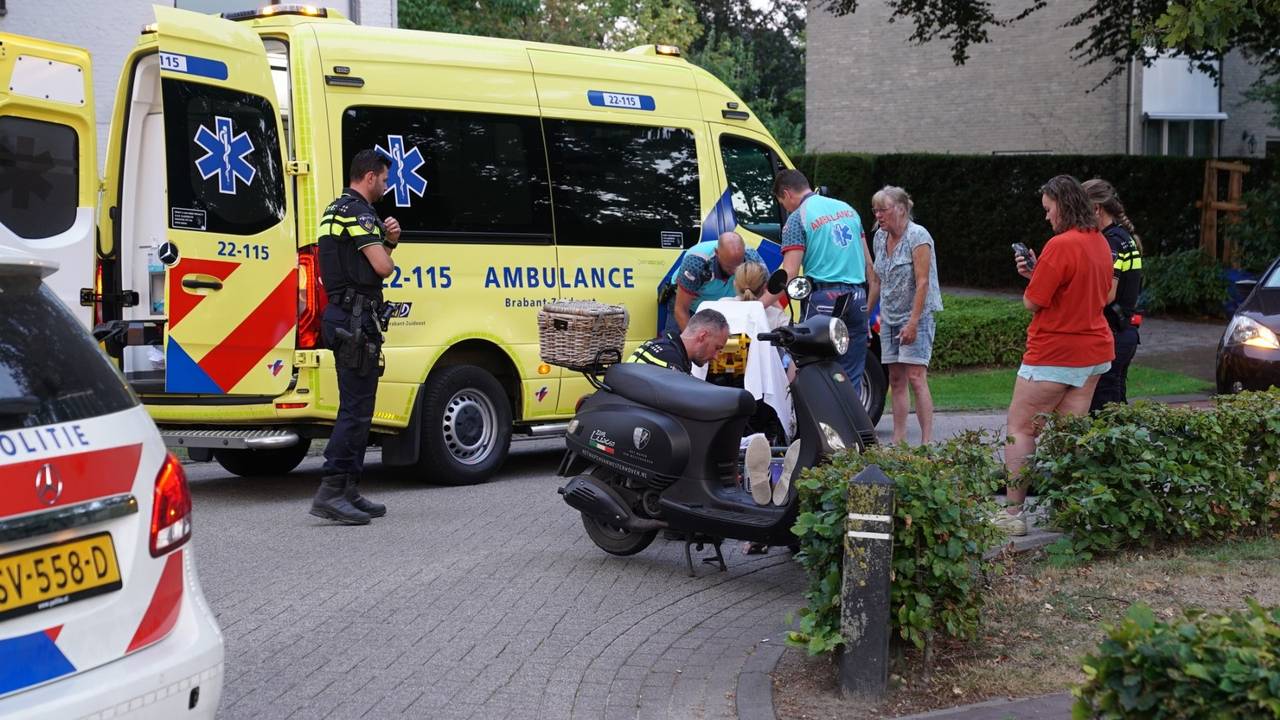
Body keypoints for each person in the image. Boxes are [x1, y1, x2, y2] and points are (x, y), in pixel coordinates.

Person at [995, 175, 1114, 536]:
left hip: (1053, 353)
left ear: (1062, 205)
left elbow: (1034, 300)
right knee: (1067, 436)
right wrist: (1039, 272)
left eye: (1048, 209)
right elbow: (1102, 295)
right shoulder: (1100, 243)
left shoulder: (1060, 245)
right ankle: (1073, 511)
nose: (1046, 217)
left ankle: (1013, 515)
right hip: (1093, 353)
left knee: (1021, 428)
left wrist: (1034, 277)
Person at [310, 149, 401, 525]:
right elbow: (382, 267)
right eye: (383, 178)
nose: (385, 185)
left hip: (342, 316)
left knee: (359, 408)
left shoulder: (334, 209)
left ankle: (349, 489)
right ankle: (331, 491)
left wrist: (387, 239)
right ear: (368, 177)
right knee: (355, 409)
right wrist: (391, 247)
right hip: (355, 320)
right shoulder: (361, 212)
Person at [761, 169, 879, 394]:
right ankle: (853, 427)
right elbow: (871, 269)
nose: (785, 208)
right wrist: (866, 314)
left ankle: (795, 422)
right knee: (851, 375)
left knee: (804, 364)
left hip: (824, 299)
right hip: (857, 299)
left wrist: (759, 304)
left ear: (786, 194)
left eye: (782, 203)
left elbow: (790, 273)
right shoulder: (849, 211)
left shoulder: (798, 219)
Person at [867, 186, 943, 445]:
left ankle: (926, 443)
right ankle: (898, 441)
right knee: (896, 379)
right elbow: (877, 280)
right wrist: (867, 313)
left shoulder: (918, 236)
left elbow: (923, 283)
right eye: (875, 210)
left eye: (883, 209)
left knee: (916, 377)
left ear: (900, 209)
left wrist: (912, 322)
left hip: (916, 317)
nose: (878, 215)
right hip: (889, 317)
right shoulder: (879, 237)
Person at [1083, 178, 1143, 412]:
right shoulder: (1124, 238)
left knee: (1103, 409)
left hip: (1114, 334)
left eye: (1081, 209)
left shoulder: (1111, 243)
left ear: (1096, 209)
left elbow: (1107, 294)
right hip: (1125, 332)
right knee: (1115, 406)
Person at [668, 231, 763, 332]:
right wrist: (693, 341)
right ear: (717, 253)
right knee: (679, 344)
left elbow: (769, 291)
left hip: (725, 307)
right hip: (691, 305)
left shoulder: (752, 258)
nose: (735, 271)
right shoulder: (696, 262)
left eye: (739, 266)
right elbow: (681, 309)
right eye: (729, 267)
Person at [627, 308, 731, 374]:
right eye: (717, 348)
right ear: (702, 336)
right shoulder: (667, 357)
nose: (716, 357)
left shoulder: (669, 348)